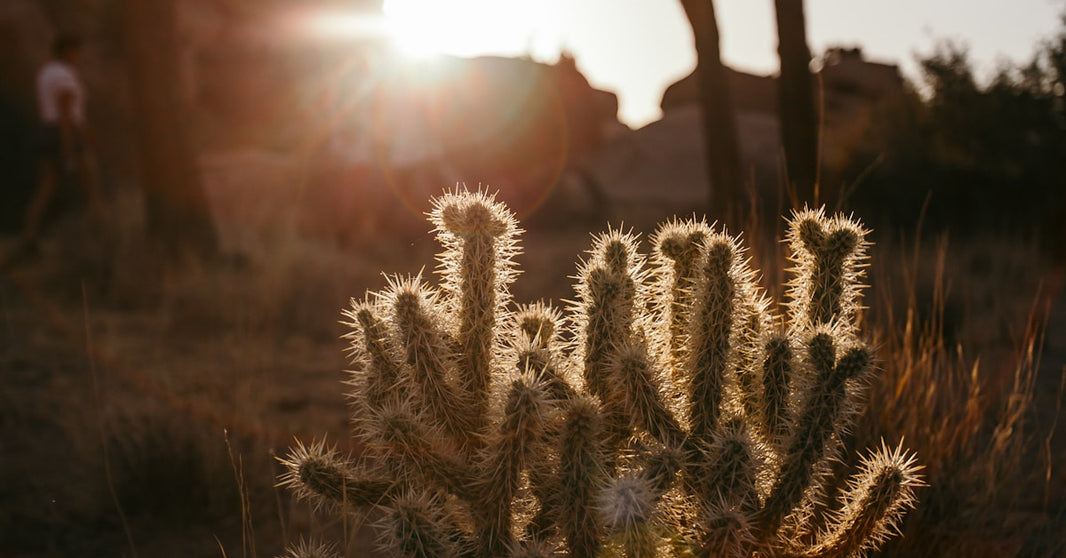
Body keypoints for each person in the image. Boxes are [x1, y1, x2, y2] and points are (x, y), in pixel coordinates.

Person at [16, 32, 105, 258]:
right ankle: (103, 232)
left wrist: (84, 130)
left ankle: (29, 235)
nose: (79, 57)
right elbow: (66, 114)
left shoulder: (46, 72)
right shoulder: (65, 76)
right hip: (65, 133)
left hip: (48, 130)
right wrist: (69, 147)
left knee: (46, 186)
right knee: (91, 184)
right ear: (67, 51)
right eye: (77, 52)